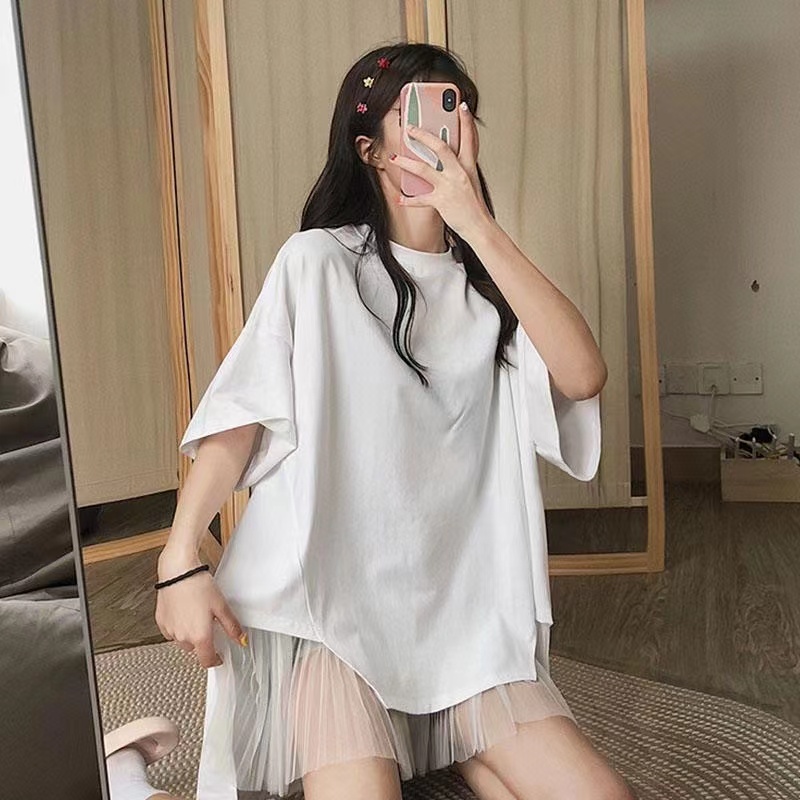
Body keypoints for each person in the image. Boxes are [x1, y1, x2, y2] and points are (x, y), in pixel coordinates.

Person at [155, 42, 636, 800]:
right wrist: (180, 558)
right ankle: (130, 777)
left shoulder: (491, 292)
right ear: (369, 149)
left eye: (458, 113)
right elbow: (243, 414)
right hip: (331, 618)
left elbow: (584, 375)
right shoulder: (318, 263)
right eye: (417, 117)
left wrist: (476, 224)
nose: (443, 132)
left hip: (464, 626)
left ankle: (447, 735)